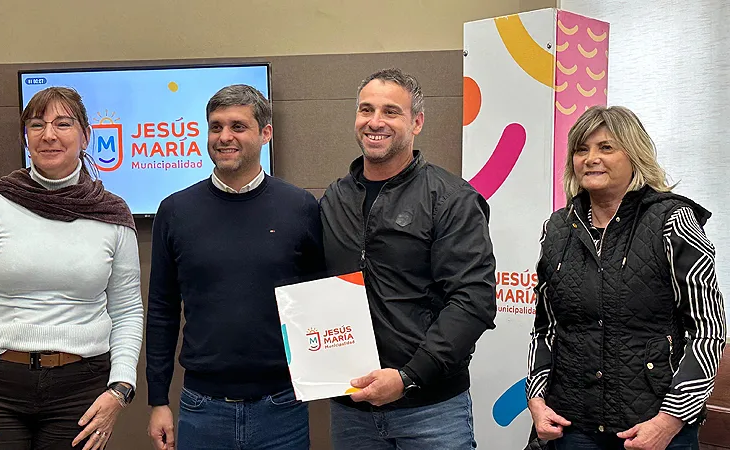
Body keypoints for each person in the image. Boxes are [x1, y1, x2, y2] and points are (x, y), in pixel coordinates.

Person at [0, 86, 144, 450]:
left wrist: (120, 389)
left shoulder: (112, 214)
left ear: (86, 136)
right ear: (25, 137)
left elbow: (127, 310)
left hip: (81, 392)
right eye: (36, 125)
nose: (48, 135)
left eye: (63, 124)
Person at [526, 106, 726, 450]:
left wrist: (670, 421)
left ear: (634, 155)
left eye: (606, 147)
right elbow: (546, 327)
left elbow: (707, 332)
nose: (591, 158)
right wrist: (536, 398)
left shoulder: (673, 221)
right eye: (581, 149)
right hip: (572, 426)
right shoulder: (557, 228)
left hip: (654, 428)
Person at [320, 68, 497, 449]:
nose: (375, 122)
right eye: (366, 110)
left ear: (417, 122)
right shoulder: (334, 199)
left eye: (391, 111)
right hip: (351, 410)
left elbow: (473, 301)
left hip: (431, 411)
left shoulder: (451, 199)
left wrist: (409, 377)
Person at [145, 84, 324, 450]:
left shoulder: (300, 208)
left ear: (265, 133)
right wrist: (158, 399)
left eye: (238, 126)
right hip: (201, 409)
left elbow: (319, 299)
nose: (224, 137)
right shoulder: (176, 211)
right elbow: (162, 311)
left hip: (282, 408)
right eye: (216, 127)